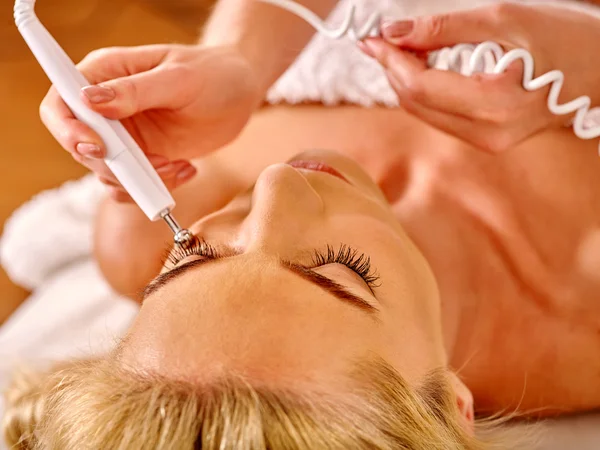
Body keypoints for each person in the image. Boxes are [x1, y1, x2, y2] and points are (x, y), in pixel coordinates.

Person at [3, 0, 600, 448]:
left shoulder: (144, 230)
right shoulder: (583, 317)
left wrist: (240, 56)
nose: (273, 186)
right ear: (450, 406)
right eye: (339, 271)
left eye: (196, 258)